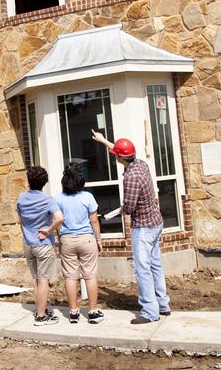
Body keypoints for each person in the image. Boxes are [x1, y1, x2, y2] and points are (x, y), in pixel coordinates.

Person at [91, 131, 171, 324]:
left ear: (120, 158)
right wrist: (103, 141)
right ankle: (163, 304)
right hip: (156, 222)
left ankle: (150, 312)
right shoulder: (141, 164)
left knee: (142, 269)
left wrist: (116, 210)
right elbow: (119, 150)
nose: (115, 156)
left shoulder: (131, 177)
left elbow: (129, 207)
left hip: (143, 227)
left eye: (116, 154)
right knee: (155, 265)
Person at [53, 165, 105, 324]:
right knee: (90, 275)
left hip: (67, 239)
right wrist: (99, 239)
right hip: (86, 239)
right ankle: (93, 311)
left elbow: (56, 221)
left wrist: (59, 239)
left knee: (70, 276)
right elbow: (94, 220)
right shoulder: (88, 197)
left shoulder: (59, 198)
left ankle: (74, 312)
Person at [17, 166, 63, 326]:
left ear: (28, 181)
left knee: (37, 280)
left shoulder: (21, 198)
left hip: (28, 244)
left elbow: (21, 220)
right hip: (43, 244)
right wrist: (48, 230)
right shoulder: (48, 200)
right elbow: (59, 219)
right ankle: (41, 316)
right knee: (43, 280)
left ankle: (40, 310)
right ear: (45, 182)